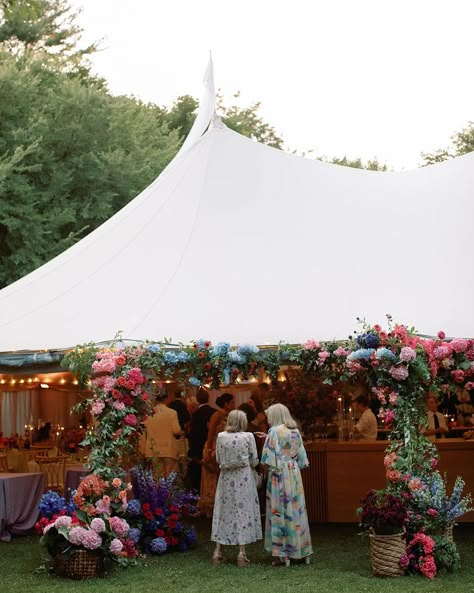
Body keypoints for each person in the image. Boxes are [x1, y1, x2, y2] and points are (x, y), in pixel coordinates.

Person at [261, 403, 312, 566]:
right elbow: (302, 458)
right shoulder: (295, 431)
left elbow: (268, 458)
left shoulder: (274, 432)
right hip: (294, 472)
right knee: (296, 509)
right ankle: (302, 550)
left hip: (279, 474)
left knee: (279, 510)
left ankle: (282, 552)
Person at [211, 410, 262, 567]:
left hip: (226, 478)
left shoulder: (220, 437)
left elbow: (218, 458)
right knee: (243, 511)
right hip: (243, 478)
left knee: (224, 511)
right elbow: (254, 461)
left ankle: (218, 552)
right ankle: (242, 553)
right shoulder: (247, 437)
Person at [200, 393, 235, 518]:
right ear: (226, 403)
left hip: (223, 448)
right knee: (212, 477)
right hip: (214, 447)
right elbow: (210, 434)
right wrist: (209, 450)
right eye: (232, 402)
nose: (234, 405)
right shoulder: (217, 415)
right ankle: (212, 507)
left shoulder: (229, 416)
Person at [141, 386, 183, 477]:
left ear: (155, 399)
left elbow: (144, 431)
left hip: (152, 449)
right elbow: (176, 430)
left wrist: (142, 449)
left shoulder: (148, 413)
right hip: (168, 449)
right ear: (166, 398)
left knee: (155, 478)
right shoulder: (172, 413)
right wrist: (182, 432)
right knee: (168, 479)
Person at [187, 388, 215, 491]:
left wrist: (194, 453)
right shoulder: (214, 412)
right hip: (212, 449)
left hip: (199, 450)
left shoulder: (196, 415)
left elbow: (194, 435)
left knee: (199, 482)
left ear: (198, 400)